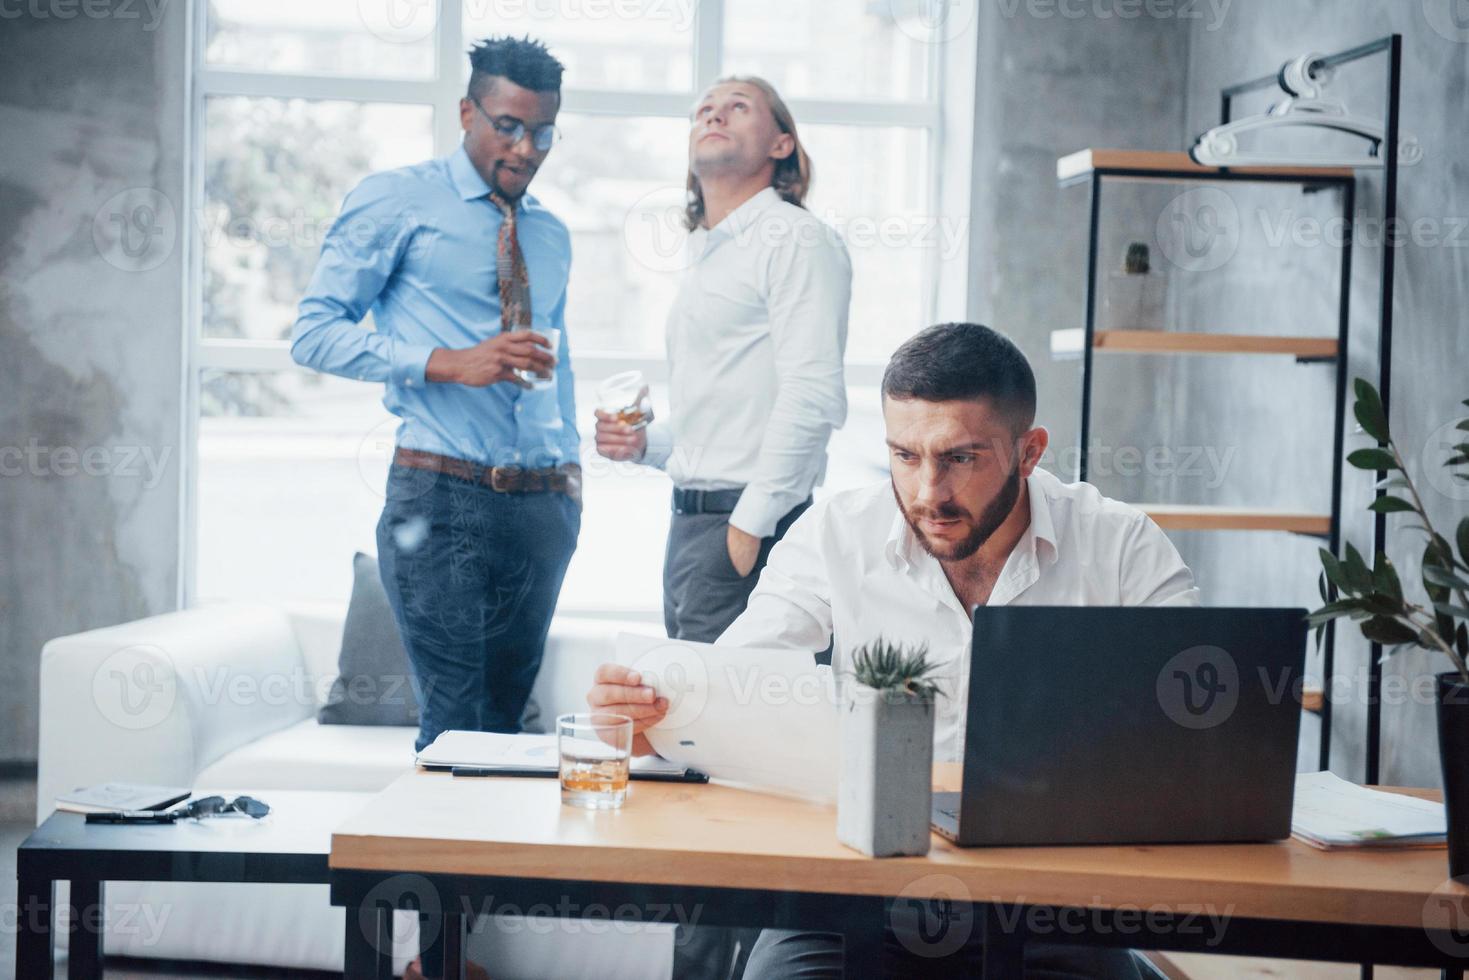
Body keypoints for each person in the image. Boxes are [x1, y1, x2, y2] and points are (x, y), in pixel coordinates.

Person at [587, 322, 1199, 977]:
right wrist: (656, 718)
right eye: (904, 456)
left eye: (959, 458)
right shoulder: (837, 530)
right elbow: (736, 679)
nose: (927, 493)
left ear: (1028, 451)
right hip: (852, 903)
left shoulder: (1118, 543)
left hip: (1057, 909)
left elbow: (1198, 728)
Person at [291, 36, 579, 755]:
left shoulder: (550, 232)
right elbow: (314, 334)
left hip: (542, 507)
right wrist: (449, 363)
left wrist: (569, 469)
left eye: (542, 132)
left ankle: (499, 873)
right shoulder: (398, 199)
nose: (525, 148)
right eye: (507, 126)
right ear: (465, 112)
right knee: (456, 730)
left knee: (508, 730)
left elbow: (555, 361)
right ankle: (432, 873)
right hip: (442, 498)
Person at [594, 74, 851, 644]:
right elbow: (718, 420)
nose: (713, 115)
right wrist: (645, 444)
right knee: (696, 725)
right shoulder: (712, 255)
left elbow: (813, 393)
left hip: (745, 526)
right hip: (694, 526)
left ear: (781, 144)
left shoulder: (794, 238)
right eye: (702, 110)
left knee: (728, 726)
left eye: (738, 107)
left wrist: (747, 528)